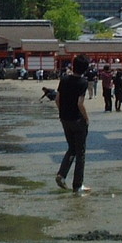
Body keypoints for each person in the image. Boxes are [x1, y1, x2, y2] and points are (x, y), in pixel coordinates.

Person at [53, 54, 91, 194]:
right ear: (85, 69)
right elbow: (80, 103)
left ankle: (62, 175)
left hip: (65, 118)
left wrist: (62, 112)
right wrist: (86, 118)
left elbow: (57, 99)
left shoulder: (64, 79)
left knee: (71, 148)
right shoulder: (83, 82)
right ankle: (77, 185)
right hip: (77, 120)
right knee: (80, 152)